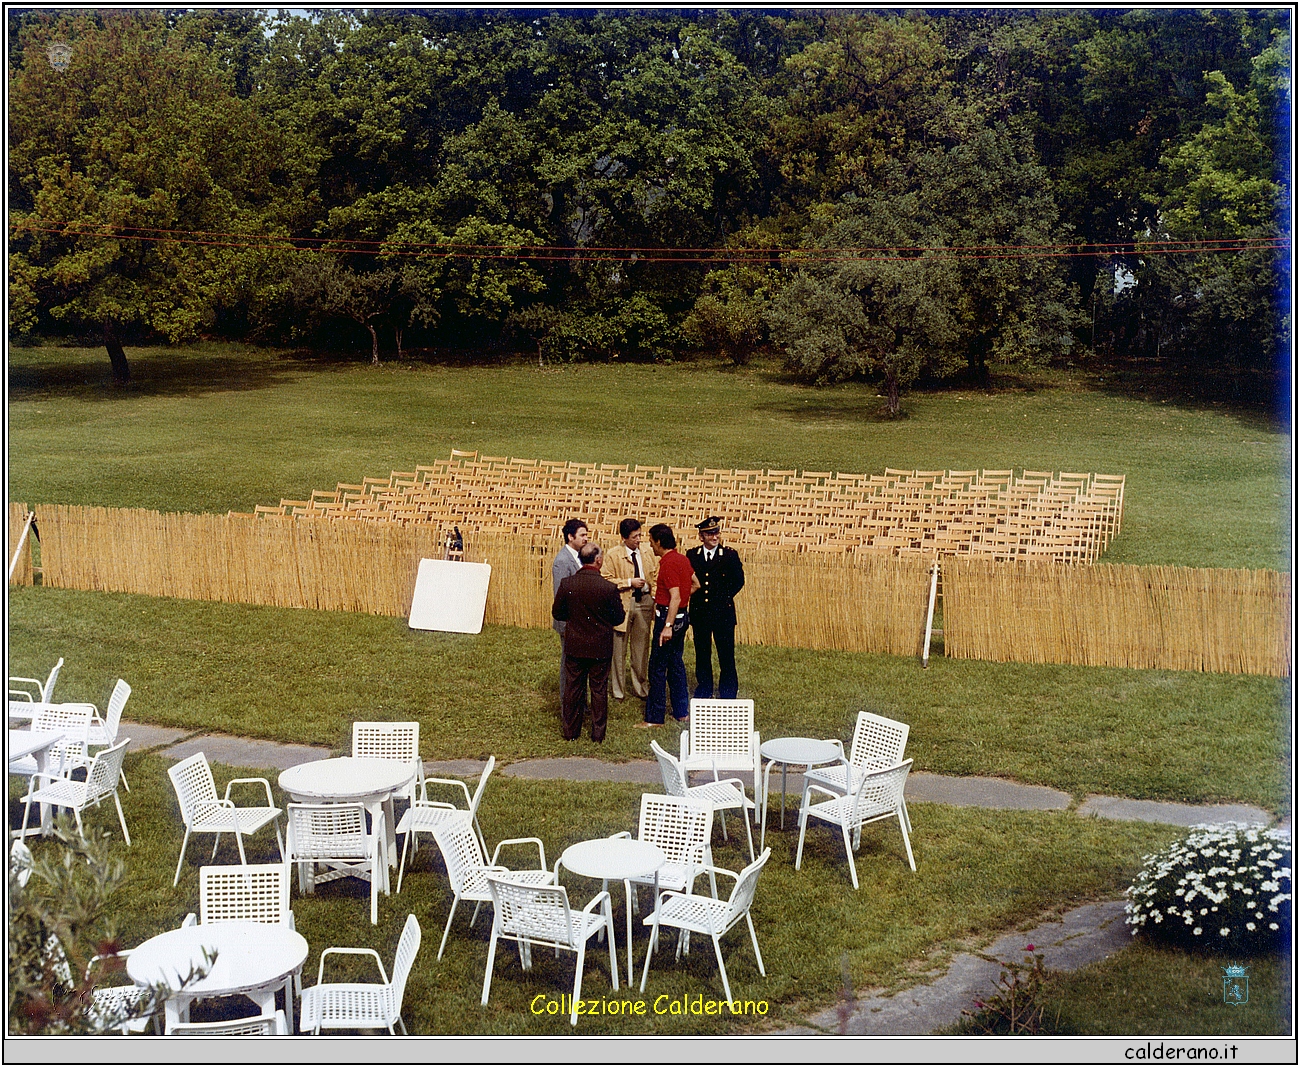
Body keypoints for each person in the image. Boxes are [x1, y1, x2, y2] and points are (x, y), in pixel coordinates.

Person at [551, 542, 624, 742]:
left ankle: (570, 731)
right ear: (598, 560)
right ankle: (598, 734)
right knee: (598, 690)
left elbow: (558, 612)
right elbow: (618, 618)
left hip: (575, 644)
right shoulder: (608, 588)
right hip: (600, 647)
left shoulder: (568, 584)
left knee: (573, 687)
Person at [640, 523, 699, 728]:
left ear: (659, 541)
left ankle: (654, 717)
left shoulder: (668, 563)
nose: (650, 545)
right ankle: (682, 712)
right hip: (682, 617)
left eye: (651, 541)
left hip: (669, 618)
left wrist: (667, 624)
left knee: (657, 667)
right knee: (676, 664)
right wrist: (681, 604)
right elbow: (695, 584)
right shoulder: (683, 559)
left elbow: (674, 597)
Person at [686, 516, 745, 699]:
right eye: (710, 533)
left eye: (716, 532)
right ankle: (704, 690)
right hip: (700, 614)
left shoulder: (729, 555)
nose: (714, 536)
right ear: (701, 536)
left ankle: (728, 692)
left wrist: (722, 598)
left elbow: (738, 581)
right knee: (702, 654)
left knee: (726, 655)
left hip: (722, 614)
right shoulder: (692, 555)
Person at [601, 518, 658, 701]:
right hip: (623, 604)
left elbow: (655, 575)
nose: (638, 540)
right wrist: (628, 583)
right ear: (624, 537)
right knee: (619, 648)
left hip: (645, 603)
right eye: (634, 537)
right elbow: (606, 579)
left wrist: (654, 596)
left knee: (641, 648)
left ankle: (640, 687)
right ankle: (618, 690)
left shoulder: (647, 552)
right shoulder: (613, 555)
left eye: (640, 535)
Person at [551, 519, 588, 669]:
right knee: (569, 663)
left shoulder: (580, 557)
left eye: (586, 535)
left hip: (580, 620)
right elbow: (560, 595)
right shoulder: (562, 561)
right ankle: (566, 693)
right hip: (570, 622)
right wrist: (566, 625)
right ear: (570, 537)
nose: (586, 538)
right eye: (582, 535)